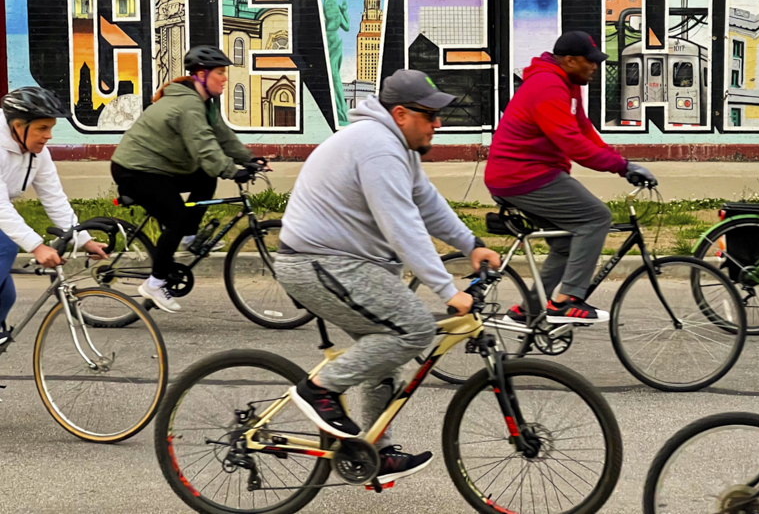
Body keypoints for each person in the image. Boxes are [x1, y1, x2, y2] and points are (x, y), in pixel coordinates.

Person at [273, 69, 501, 486]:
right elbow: (402, 225)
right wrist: (447, 289)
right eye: (430, 115)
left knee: (386, 343)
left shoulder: (399, 147)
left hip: (344, 263)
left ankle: (376, 451)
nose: (438, 123)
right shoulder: (377, 148)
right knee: (411, 330)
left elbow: (426, 204)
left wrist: (471, 245)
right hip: (317, 262)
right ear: (400, 114)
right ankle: (319, 388)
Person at [484, 31, 656, 324]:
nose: (595, 67)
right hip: (522, 175)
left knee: (566, 242)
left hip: (533, 173)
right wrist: (620, 167)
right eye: (590, 62)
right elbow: (571, 142)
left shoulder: (567, 82)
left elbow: (583, 129)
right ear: (570, 60)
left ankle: (529, 309)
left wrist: (624, 163)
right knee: (595, 218)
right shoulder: (547, 85)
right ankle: (567, 301)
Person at [110, 46, 265, 313]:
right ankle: (155, 283)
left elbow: (222, 136)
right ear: (202, 75)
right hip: (135, 170)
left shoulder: (204, 103)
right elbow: (204, 147)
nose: (225, 78)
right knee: (177, 219)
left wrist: (248, 159)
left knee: (205, 176)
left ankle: (188, 237)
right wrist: (232, 170)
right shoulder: (188, 105)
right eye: (220, 72)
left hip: (159, 168)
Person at [0, 87, 108, 346]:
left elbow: (54, 198)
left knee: (6, 297)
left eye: (51, 128)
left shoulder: (38, 152)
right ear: (17, 125)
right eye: (42, 128)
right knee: (5, 246)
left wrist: (82, 239)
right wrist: (36, 246)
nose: (49, 136)